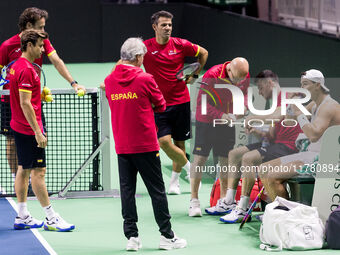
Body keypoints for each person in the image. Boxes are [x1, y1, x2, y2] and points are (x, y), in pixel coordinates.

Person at [104, 37, 187, 251]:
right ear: (139, 57)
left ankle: (132, 238)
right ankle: (167, 236)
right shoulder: (146, 79)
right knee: (157, 192)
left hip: (122, 146)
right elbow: (160, 105)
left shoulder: (110, 80)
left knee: (127, 192)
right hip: (146, 146)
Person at [0, 7, 86, 183]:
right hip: (10, 101)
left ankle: (32, 179)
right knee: (11, 140)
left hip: (33, 101)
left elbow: (56, 61)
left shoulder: (43, 41)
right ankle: (17, 179)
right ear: (28, 25)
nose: (44, 31)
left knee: (38, 135)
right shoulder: (7, 46)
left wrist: (73, 83)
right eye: (40, 27)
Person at [10, 29, 74, 231]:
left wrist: (40, 96)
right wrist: (38, 131)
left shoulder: (16, 66)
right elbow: (25, 104)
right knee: (39, 172)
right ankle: (50, 218)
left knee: (23, 169)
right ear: (29, 46)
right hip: (29, 129)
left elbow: (26, 99)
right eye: (39, 46)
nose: (42, 49)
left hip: (18, 126)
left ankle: (22, 215)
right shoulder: (28, 69)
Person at [217, 70, 302, 223]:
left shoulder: (286, 96)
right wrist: (256, 131)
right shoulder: (275, 101)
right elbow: (271, 135)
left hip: (290, 147)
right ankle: (229, 201)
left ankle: (242, 209)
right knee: (234, 154)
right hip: (277, 144)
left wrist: (252, 117)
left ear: (270, 83)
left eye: (261, 88)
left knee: (248, 159)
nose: (261, 93)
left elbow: (277, 115)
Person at [143, 10, 208, 195]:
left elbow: (203, 53)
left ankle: (174, 183)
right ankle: (191, 170)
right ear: (155, 27)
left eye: (170, 25)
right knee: (164, 141)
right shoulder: (145, 47)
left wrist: (195, 75)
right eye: (163, 25)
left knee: (180, 144)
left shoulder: (181, 44)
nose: (168, 28)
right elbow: (127, 62)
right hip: (158, 103)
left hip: (180, 101)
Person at [259, 69, 340, 201]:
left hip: (323, 160)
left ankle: (285, 215)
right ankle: (277, 210)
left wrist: (299, 113)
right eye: (301, 84)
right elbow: (290, 119)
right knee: (263, 169)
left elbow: (313, 135)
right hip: (310, 154)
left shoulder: (329, 106)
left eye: (305, 84)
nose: (302, 88)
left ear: (318, 85)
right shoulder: (315, 104)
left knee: (272, 176)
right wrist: (291, 102)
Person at [189, 57, 250, 217]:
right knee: (200, 159)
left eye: (241, 79)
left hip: (227, 121)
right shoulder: (212, 75)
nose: (239, 82)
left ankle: (223, 201)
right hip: (207, 121)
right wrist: (221, 114)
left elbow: (243, 94)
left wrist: (243, 105)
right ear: (229, 70)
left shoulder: (244, 75)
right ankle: (194, 201)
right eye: (236, 79)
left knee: (225, 160)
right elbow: (202, 104)